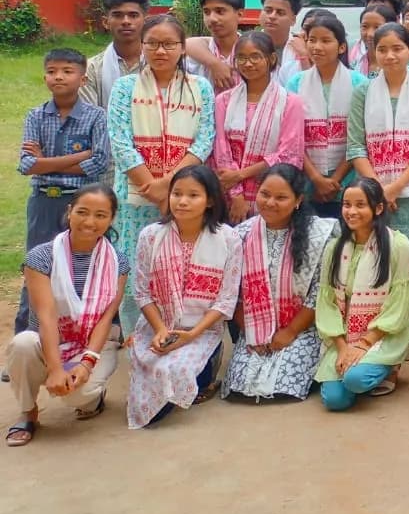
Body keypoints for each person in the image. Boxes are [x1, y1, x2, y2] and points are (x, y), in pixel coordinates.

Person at [108, 15, 216, 327]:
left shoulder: (200, 88)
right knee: (136, 266)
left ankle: (184, 334)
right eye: (152, 43)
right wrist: (151, 187)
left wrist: (170, 187)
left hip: (185, 197)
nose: (160, 51)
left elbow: (205, 137)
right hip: (136, 195)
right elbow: (120, 139)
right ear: (142, 47)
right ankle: (134, 336)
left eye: (169, 44)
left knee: (184, 264)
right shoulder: (125, 87)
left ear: (183, 48)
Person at [7, 184, 128, 445]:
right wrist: (55, 369)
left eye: (100, 215)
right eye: (82, 212)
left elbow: (106, 319)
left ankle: (93, 400)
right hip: (51, 338)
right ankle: (28, 413)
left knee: (78, 395)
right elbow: (46, 315)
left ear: (111, 219)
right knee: (22, 345)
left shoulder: (119, 261)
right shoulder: (41, 257)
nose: (90, 222)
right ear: (69, 211)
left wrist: (86, 364)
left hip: (95, 343)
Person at [126, 165, 242, 428]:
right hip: (158, 327)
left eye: (193, 195)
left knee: (176, 372)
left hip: (201, 330)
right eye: (177, 193)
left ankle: (209, 365)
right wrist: (160, 330)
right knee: (155, 377)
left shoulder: (228, 239)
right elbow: (142, 291)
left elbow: (226, 300)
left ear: (210, 200)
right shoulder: (151, 236)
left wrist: (191, 335)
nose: (183, 201)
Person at [347, 22, 409, 348]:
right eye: (382, 49)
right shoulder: (362, 93)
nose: (389, 56)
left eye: (397, 49)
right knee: (379, 259)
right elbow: (356, 146)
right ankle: (378, 329)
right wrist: (378, 191)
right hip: (372, 195)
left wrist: (395, 187)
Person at [15, 47, 110, 336]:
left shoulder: (96, 117)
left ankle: (80, 339)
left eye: (67, 72)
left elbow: (99, 163)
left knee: (82, 267)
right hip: (44, 202)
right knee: (36, 267)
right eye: (52, 71)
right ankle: (27, 338)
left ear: (83, 78)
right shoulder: (36, 116)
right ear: (44, 77)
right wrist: (76, 158)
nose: (59, 77)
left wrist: (45, 163)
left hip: (80, 202)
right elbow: (27, 164)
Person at [222, 164, 336, 402]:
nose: (270, 202)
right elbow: (232, 293)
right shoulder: (240, 234)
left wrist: (290, 332)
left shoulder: (319, 235)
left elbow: (320, 293)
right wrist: (251, 332)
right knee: (240, 387)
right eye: (265, 194)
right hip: (254, 326)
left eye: (281, 197)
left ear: (298, 200)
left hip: (302, 327)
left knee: (285, 387)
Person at [315, 177, 409, 411]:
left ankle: (390, 367)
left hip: (383, 335)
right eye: (346, 204)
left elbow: (400, 303)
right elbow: (327, 302)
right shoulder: (334, 248)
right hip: (345, 336)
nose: (351, 211)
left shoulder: (398, 245)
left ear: (378, 208)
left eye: (360, 205)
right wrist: (342, 347)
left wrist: (363, 344)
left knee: (355, 380)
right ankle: (365, 371)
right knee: (334, 400)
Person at [210, 31, 304, 223]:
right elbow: (221, 150)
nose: (248, 63)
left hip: (271, 195)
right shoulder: (224, 101)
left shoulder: (290, 103)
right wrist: (236, 195)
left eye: (255, 57)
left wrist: (239, 175)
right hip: (229, 195)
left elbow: (288, 154)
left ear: (271, 59)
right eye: (241, 58)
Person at [287, 12, 367, 218]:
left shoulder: (359, 84)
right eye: (312, 40)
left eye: (325, 41)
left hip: (348, 181)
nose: (317, 47)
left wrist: (336, 179)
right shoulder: (296, 83)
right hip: (307, 179)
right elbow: (292, 137)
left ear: (341, 47)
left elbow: (359, 137)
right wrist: (316, 178)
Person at [83, 0, 148, 108]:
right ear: (105, 22)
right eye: (117, 15)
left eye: (133, 15)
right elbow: (89, 118)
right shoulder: (91, 69)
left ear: (145, 21)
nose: (126, 21)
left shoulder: (161, 63)